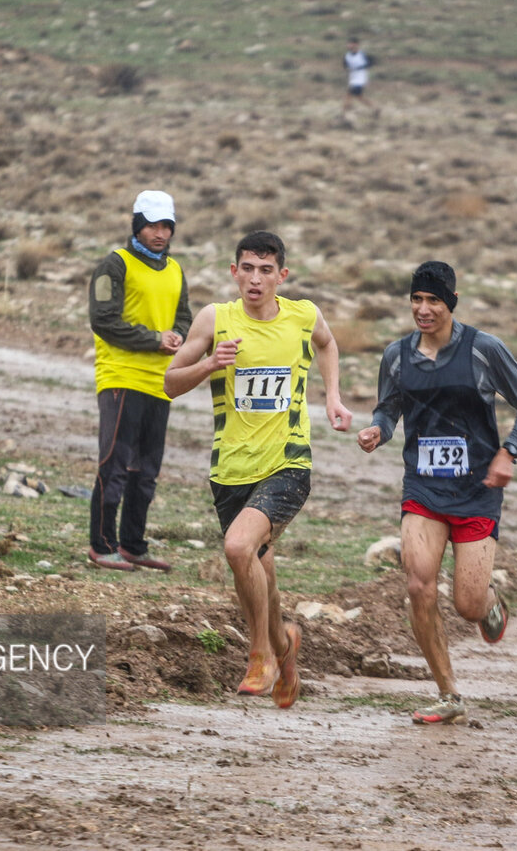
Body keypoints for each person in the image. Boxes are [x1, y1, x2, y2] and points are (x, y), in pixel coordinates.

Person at [165, 231, 353, 709]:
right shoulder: (215, 318)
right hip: (230, 468)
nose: (255, 278)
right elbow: (169, 384)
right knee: (257, 563)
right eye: (247, 268)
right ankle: (285, 645)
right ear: (234, 272)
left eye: (265, 270)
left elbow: (328, 345)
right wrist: (209, 364)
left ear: (281, 276)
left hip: (288, 461)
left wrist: (332, 396)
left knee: (237, 547)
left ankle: (261, 655)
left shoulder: (303, 315)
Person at [357, 261, 517, 725]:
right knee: (418, 584)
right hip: (423, 488)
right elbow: (389, 407)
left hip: (478, 490)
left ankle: (489, 603)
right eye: (416, 300)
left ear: (451, 304)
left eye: (433, 301)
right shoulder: (397, 355)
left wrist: (509, 454)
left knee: (466, 604)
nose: (423, 309)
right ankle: (447, 693)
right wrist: (378, 430)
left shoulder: (483, 349)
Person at [86, 190, 192, 572]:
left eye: (166, 226)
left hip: (159, 383)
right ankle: (101, 545)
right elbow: (104, 320)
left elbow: (183, 316)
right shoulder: (115, 265)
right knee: (114, 465)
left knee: (145, 472)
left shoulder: (176, 270)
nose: (159, 233)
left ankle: (133, 545)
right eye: (151, 225)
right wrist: (154, 339)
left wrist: (179, 335)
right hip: (121, 379)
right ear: (136, 224)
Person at [342, 36, 376, 116]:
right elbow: (345, 65)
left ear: (356, 44)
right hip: (352, 78)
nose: (349, 46)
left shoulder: (362, 54)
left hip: (361, 78)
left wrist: (360, 68)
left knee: (349, 94)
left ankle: (344, 112)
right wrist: (347, 69)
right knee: (358, 96)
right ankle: (374, 108)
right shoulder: (347, 55)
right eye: (348, 44)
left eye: (350, 44)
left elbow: (370, 63)